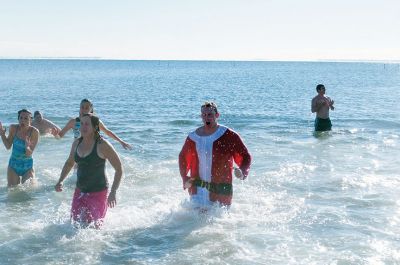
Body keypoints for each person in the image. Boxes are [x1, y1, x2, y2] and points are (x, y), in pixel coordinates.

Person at [55, 114, 123, 228]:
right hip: (80, 191)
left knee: (96, 228)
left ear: (95, 127)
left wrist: (113, 192)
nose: (83, 127)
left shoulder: (102, 145)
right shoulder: (76, 143)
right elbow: (69, 163)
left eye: (87, 124)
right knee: (74, 225)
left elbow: (119, 169)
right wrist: (60, 180)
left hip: (99, 192)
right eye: (81, 124)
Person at [179, 102, 251, 207]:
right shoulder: (193, 137)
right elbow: (183, 157)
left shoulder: (228, 135)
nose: (207, 118)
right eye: (204, 115)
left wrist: (242, 170)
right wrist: (184, 177)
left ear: (217, 115)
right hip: (197, 188)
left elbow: (245, 155)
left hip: (221, 190)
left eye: (210, 115)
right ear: (201, 116)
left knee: (219, 222)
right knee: (193, 221)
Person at [58, 99, 132, 150]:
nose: (84, 110)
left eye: (86, 108)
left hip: (92, 150)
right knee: (76, 171)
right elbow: (60, 135)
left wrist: (121, 141)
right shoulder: (74, 122)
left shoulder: (95, 121)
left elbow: (107, 132)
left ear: (91, 109)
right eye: (82, 107)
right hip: (77, 149)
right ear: (79, 108)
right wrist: (52, 135)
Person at [0, 109, 39, 187]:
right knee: (12, 192)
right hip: (13, 165)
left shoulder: (34, 132)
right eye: (20, 118)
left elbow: (28, 154)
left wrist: (27, 146)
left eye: (26, 118)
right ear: (18, 119)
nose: (22, 120)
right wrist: (2, 134)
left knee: (29, 193)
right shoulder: (13, 128)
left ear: (30, 120)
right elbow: (8, 146)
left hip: (27, 166)